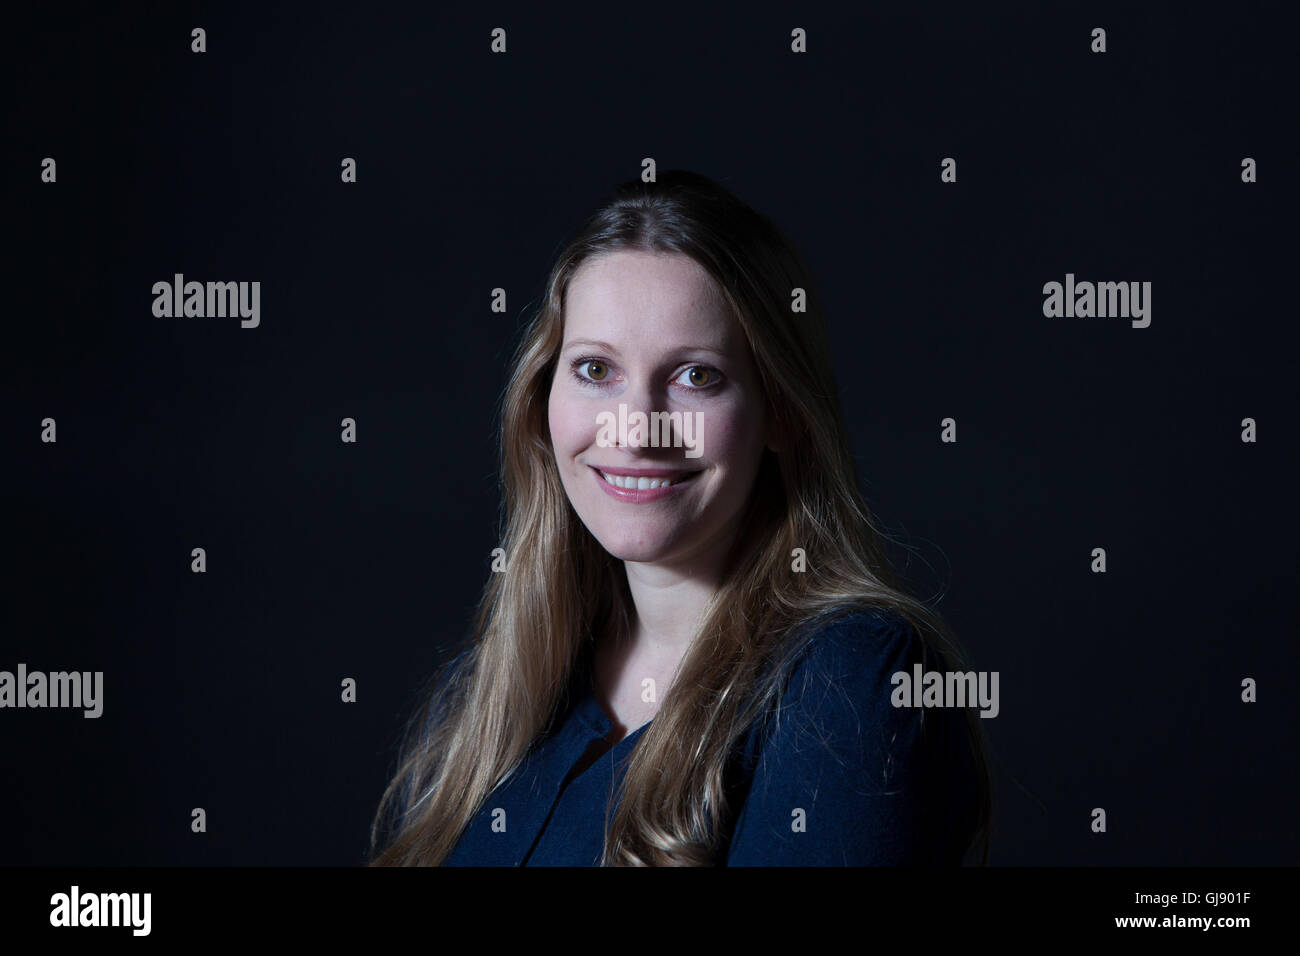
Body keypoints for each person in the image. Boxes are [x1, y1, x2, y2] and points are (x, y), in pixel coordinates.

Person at [369, 170, 991, 866]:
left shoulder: (851, 682)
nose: (636, 431)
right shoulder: (488, 694)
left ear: (780, 412)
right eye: (596, 371)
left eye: (696, 376)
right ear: (541, 402)